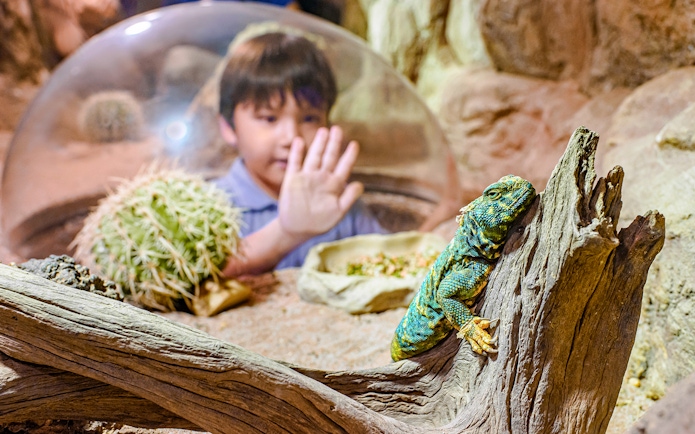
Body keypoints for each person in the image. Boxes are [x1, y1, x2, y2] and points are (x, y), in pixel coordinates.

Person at [215, 31, 461, 277]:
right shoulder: (214, 205)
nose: (292, 137)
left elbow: (391, 263)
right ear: (228, 127)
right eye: (269, 118)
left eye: (309, 118)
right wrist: (288, 232)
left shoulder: (339, 203)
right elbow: (193, 278)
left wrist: (445, 211)